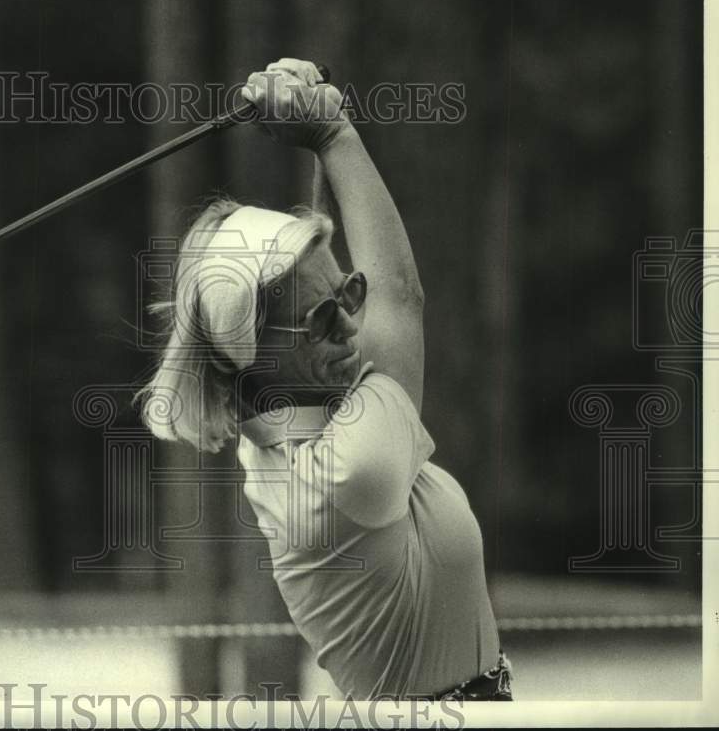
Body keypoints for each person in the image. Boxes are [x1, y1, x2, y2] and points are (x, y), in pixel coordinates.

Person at [136, 58, 511, 700]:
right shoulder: (341, 476)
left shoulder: (290, 421)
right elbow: (400, 297)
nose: (348, 326)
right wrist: (332, 132)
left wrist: (313, 138)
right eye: (321, 317)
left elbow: (329, 318)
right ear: (252, 353)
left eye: (347, 294)